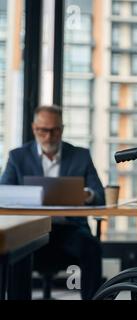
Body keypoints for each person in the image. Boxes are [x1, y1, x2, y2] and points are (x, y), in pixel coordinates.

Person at [1, 105, 104, 300]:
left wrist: (87, 195)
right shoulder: (17, 157)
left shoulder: (81, 155)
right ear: (34, 128)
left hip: (69, 229)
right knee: (15, 251)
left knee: (91, 247)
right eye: (43, 130)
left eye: (54, 130)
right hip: (30, 231)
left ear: (62, 129)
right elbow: (3, 193)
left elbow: (99, 195)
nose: (49, 136)